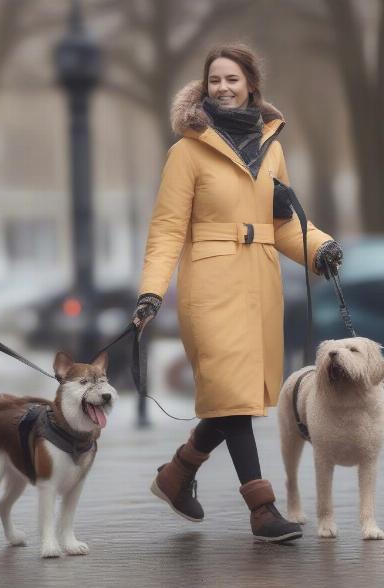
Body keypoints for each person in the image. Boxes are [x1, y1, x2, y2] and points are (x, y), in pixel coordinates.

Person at [133, 43, 343, 542]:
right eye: (214, 80)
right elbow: (166, 229)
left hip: (260, 283)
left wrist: (321, 248)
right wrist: (150, 292)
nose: (222, 88)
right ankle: (261, 507)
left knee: (238, 398)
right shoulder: (187, 151)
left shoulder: (272, 148)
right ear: (203, 87)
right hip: (209, 283)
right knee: (230, 392)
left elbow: (284, 225)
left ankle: (176, 475)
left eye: (231, 79)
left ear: (251, 84)